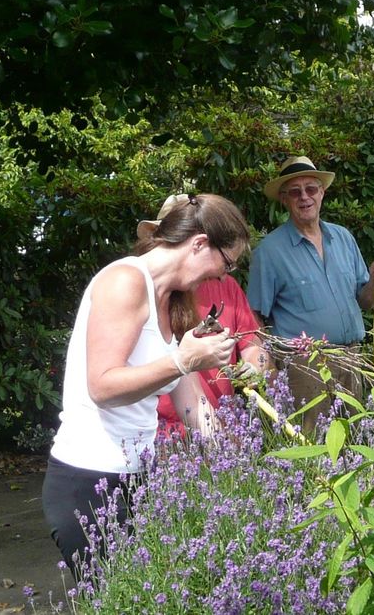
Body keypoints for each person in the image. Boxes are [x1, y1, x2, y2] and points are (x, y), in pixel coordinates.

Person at [42, 193, 249, 577]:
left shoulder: (171, 300)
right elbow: (102, 387)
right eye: (227, 263)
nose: (223, 277)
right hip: (88, 481)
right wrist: (181, 360)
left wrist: (239, 462)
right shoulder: (124, 280)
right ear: (200, 243)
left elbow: (193, 407)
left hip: (138, 478)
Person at [247, 156, 374, 434]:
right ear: (284, 199)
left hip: (352, 358)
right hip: (305, 366)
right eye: (295, 191)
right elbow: (254, 315)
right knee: (313, 446)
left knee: (357, 440)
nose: (304, 197)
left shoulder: (343, 238)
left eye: (311, 189)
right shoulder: (270, 251)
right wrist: (270, 368)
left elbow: (365, 302)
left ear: (322, 193)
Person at [136, 195, 272, 440]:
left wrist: (253, 368)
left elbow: (254, 345)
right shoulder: (142, 287)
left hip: (215, 421)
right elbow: (103, 385)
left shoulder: (227, 287)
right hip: (160, 430)